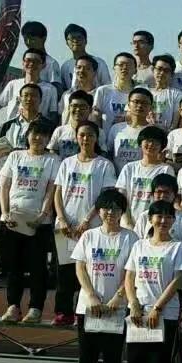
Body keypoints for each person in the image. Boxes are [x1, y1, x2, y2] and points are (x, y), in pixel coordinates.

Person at [69, 189, 137, 363]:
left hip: (117, 309)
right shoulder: (89, 236)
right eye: (106, 208)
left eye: (116, 208)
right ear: (99, 211)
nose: (111, 212)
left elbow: (131, 272)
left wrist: (119, 297)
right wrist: (90, 295)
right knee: (87, 362)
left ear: (122, 212)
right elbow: (80, 267)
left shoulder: (131, 238)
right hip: (89, 309)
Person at [121, 200, 182, 363]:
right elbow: (129, 277)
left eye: (168, 217)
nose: (163, 221)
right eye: (159, 216)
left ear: (174, 220)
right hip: (138, 315)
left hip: (164, 315)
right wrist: (133, 304)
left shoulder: (178, 247)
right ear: (150, 219)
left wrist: (158, 308)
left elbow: (178, 279)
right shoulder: (139, 245)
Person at [52, 121, 118, 326]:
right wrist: (62, 218)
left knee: (89, 272)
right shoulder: (67, 163)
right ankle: (63, 312)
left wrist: (86, 221)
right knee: (64, 271)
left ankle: (83, 312)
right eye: (81, 135)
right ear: (76, 137)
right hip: (65, 228)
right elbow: (58, 193)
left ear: (96, 138)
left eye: (90, 135)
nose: (85, 139)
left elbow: (104, 196)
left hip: (91, 228)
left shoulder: (104, 165)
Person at [0, 120, 60, 323]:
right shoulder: (15, 156)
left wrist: (43, 215)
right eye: (35, 133)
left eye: (43, 135)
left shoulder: (53, 160)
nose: (38, 138)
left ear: (48, 139)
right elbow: (5, 186)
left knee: (37, 267)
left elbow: (51, 189)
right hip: (13, 220)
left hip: (38, 222)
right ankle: (13, 306)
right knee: (14, 266)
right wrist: (5, 213)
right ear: (27, 136)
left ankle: (35, 308)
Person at [0, 48, 59, 123]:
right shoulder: (13, 85)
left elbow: (53, 116)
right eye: (28, 60)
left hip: (37, 132)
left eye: (36, 61)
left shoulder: (51, 89)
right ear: (23, 63)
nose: (31, 64)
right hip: (12, 131)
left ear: (43, 65)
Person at [115, 126, 174, 229]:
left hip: (153, 226)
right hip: (128, 224)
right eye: (148, 141)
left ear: (162, 146)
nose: (151, 144)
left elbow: (166, 200)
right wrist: (128, 222)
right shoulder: (129, 168)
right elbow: (121, 198)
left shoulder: (166, 169)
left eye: (156, 142)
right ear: (140, 143)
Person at [0, 84, 55, 157]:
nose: (29, 99)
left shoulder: (50, 126)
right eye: (26, 95)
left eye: (34, 96)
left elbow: (51, 151)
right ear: (20, 99)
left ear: (40, 100)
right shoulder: (6, 126)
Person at [49, 90, 105, 160]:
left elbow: (103, 156)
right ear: (69, 108)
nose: (78, 109)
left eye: (82, 107)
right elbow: (52, 154)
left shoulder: (98, 132)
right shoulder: (59, 131)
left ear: (90, 110)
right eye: (74, 106)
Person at [107, 87, 153, 172]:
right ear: (128, 105)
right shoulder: (116, 128)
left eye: (144, 103)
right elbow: (109, 153)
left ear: (150, 107)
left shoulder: (153, 130)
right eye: (136, 102)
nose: (140, 106)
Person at [94, 52, 137, 133]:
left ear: (135, 70)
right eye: (121, 65)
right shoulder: (103, 91)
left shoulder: (141, 92)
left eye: (129, 65)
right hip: (108, 137)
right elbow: (96, 117)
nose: (124, 68)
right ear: (114, 68)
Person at [60, 23, 111, 90]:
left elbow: (107, 87)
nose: (75, 41)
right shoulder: (65, 66)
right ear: (67, 42)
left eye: (79, 37)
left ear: (86, 41)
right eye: (72, 38)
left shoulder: (99, 63)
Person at [21, 21, 62, 87]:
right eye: (25, 39)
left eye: (32, 39)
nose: (28, 42)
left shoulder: (51, 63)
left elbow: (57, 88)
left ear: (43, 38)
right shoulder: (26, 62)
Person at [148, 54, 182, 130]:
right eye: (159, 69)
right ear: (153, 70)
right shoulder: (144, 91)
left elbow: (174, 125)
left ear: (172, 74)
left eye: (166, 71)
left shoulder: (177, 94)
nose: (162, 73)